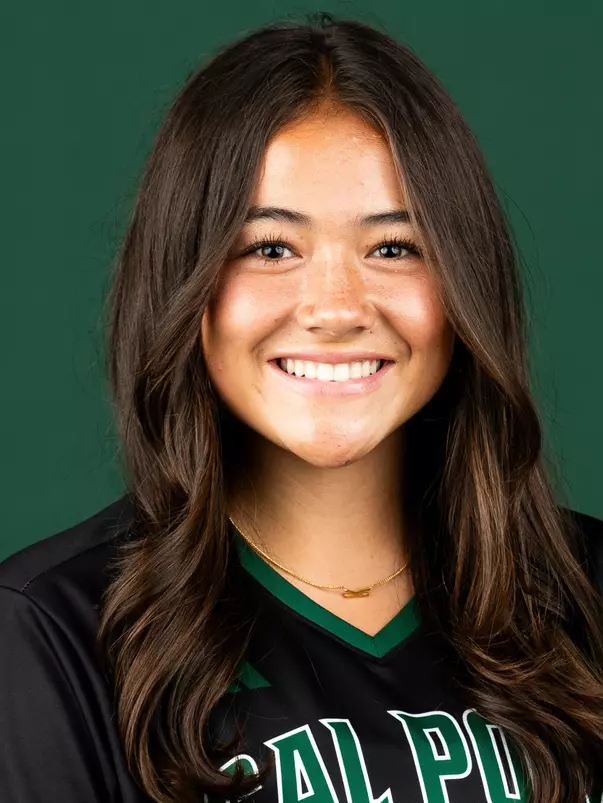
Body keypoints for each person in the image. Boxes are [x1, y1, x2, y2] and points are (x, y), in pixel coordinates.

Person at [1, 11, 602, 803]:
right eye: (269, 248)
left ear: (463, 285)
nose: (334, 307)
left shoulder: (584, 593)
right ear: (185, 281)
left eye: (393, 247)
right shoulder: (48, 629)